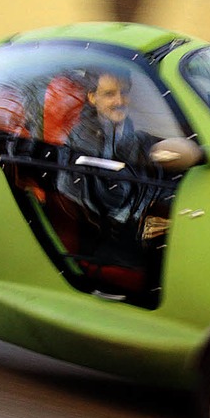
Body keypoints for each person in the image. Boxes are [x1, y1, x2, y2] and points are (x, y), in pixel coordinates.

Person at [54, 68, 164, 293]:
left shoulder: (134, 135)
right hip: (99, 239)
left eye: (124, 92)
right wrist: (143, 216)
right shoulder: (80, 139)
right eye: (109, 94)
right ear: (92, 98)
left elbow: (145, 176)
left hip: (129, 230)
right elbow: (101, 198)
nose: (119, 101)